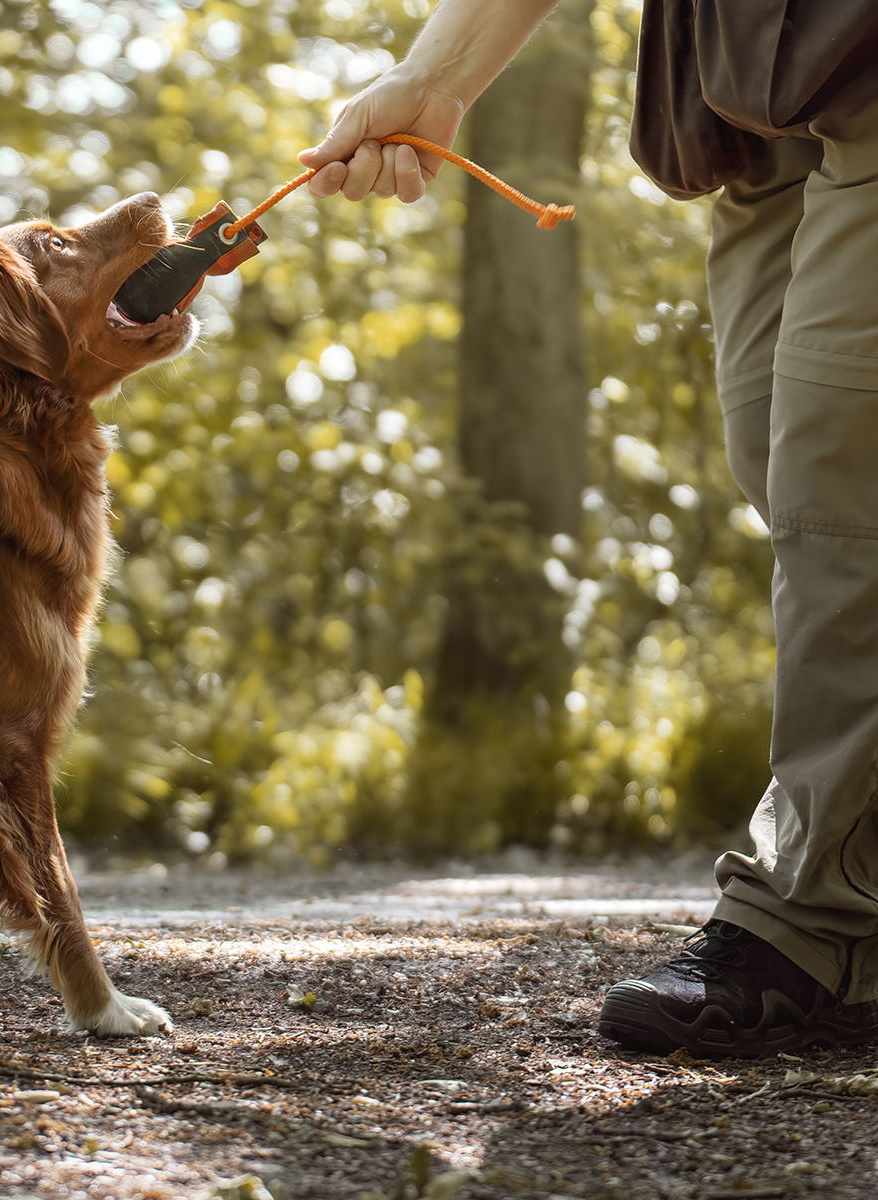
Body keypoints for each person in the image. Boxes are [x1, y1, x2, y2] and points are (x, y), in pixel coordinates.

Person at [297, 0, 878, 1056]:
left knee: (850, 485)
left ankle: (813, 926)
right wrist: (436, 79)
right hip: (760, 98)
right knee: (793, 473)